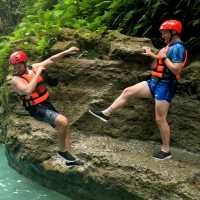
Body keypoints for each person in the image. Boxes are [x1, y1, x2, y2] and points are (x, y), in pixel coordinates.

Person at [89, 20, 188, 160]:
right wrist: (153, 56)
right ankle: (106, 113)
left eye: (164, 32)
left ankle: (166, 151)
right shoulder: (166, 47)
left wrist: (164, 57)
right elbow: (155, 67)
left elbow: (176, 69)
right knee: (128, 91)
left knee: (160, 119)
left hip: (165, 86)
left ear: (173, 32)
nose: (162, 35)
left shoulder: (178, 48)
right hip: (154, 82)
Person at [10, 47, 82, 166]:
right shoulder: (16, 79)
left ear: (24, 63)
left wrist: (66, 52)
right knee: (63, 121)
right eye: (14, 66)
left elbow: (51, 60)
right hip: (36, 108)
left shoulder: (33, 67)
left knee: (64, 128)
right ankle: (62, 152)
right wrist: (38, 73)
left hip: (45, 104)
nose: (16, 68)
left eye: (19, 65)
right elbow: (27, 91)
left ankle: (70, 159)